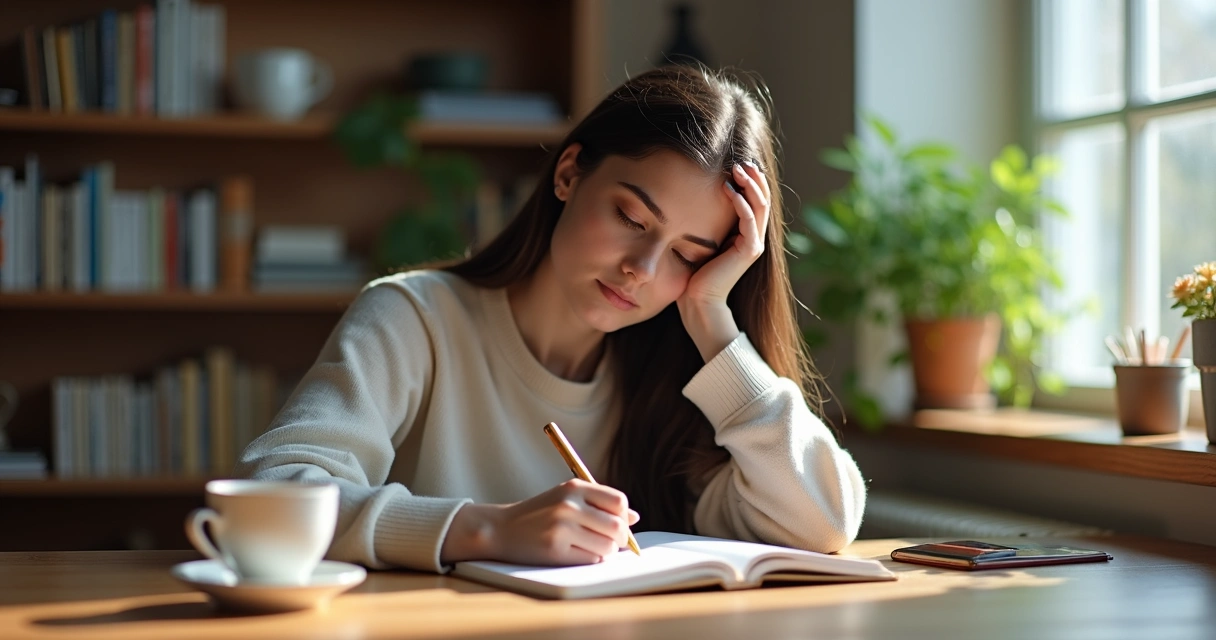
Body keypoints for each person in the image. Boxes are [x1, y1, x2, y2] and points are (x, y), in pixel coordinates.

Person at [236, 65, 866, 574]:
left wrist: (712, 321)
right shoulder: (414, 318)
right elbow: (275, 494)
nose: (642, 268)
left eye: (687, 253)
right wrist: (487, 528)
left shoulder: (674, 372)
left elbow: (823, 523)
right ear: (569, 173)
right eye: (631, 218)